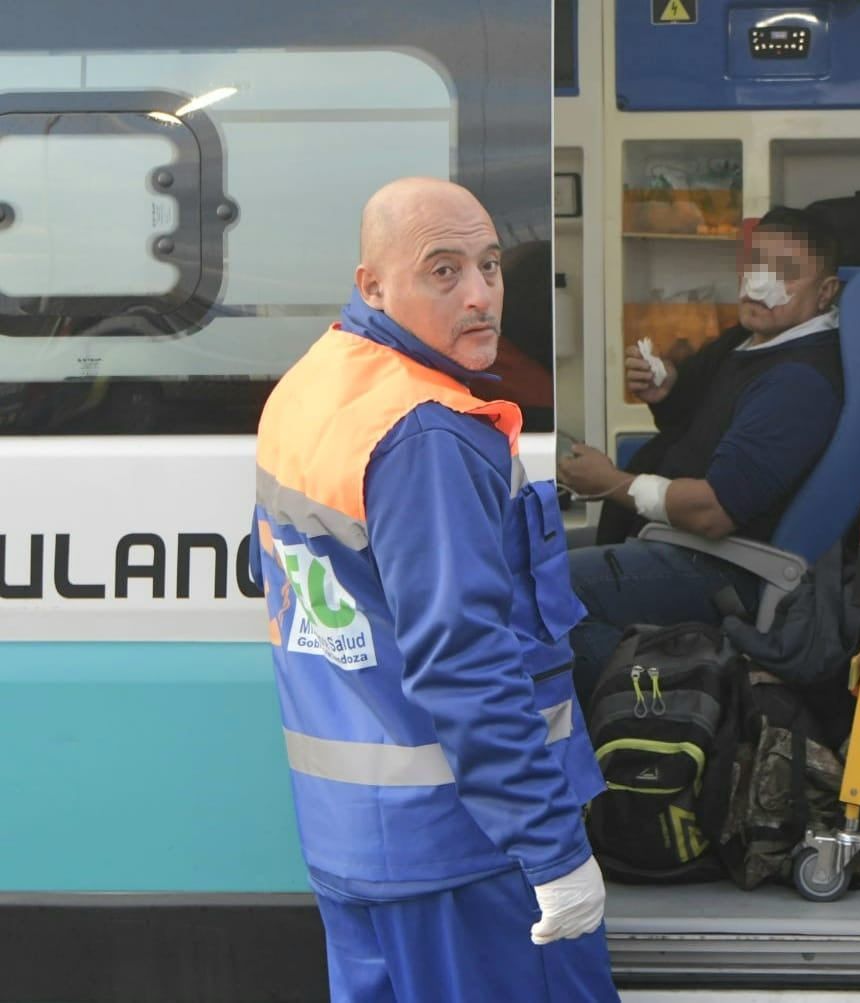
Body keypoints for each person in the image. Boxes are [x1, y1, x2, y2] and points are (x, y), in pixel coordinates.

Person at [250, 177, 618, 1003]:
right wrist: (553, 851)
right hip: (470, 855)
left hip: (359, 850)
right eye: (443, 271)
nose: (483, 295)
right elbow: (467, 664)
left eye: (490, 265)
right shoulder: (426, 435)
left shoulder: (311, 389)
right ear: (371, 284)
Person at [556, 206, 844, 705]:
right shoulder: (750, 340)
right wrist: (665, 387)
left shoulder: (798, 381)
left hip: (720, 565)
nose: (762, 282)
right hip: (668, 539)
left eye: (787, 272)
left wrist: (610, 483)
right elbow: (694, 415)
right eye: (756, 262)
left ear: (825, 293)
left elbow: (713, 511)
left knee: (548, 596)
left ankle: (689, 709)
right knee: (524, 571)